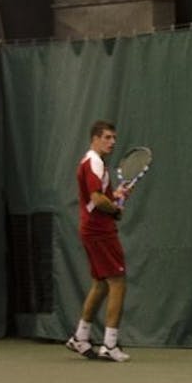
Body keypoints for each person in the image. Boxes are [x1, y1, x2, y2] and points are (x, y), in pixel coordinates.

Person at [65, 120, 132, 362]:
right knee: (118, 282)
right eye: (107, 137)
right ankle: (110, 345)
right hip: (100, 231)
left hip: (92, 229)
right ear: (95, 138)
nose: (112, 142)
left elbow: (98, 198)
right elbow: (96, 199)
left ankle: (80, 337)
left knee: (100, 284)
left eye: (114, 138)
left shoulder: (91, 162)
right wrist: (115, 209)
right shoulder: (94, 162)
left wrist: (115, 196)